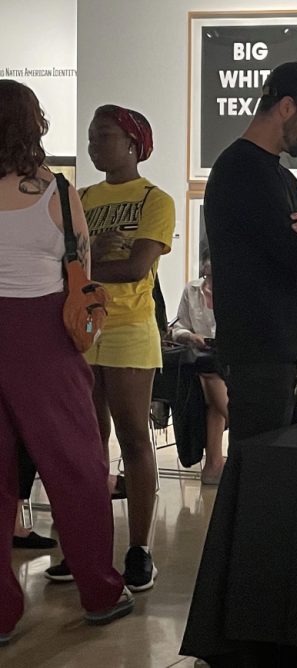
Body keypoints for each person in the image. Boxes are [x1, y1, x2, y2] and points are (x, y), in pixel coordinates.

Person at [0, 80, 134, 645]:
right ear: (34, 125)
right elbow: (80, 256)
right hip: (44, 339)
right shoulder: (57, 188)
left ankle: (2, 614)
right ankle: (100, 591)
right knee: (76, 469)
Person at [45, 105, 175, 590]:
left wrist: (87, 256)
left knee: (134, 438)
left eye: (104, 135)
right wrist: (99, 250)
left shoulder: (154, 199)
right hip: (81, 328)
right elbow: (60, 261)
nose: (95, 144)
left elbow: (136, 267)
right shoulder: (79, 196)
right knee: (86, 443)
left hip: (128, 328)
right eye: (91, 135)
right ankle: (85, 547)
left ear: (134, 143)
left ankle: (139, 548)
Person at [205, 62, 297, 442]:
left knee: (280, 476)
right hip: (260, 357)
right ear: (287, 107)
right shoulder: (242, 170)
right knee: (261, 478)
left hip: (284, 357)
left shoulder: (280, 176)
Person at [170, 250, 227, 484]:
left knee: (213, 385)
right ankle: (216, 463)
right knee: (208, 373)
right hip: (198, 359)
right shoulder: (192, 290)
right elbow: (177, 327)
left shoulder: (235, 290)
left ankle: (213, 465)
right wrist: (193, 337)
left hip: (226, 360)